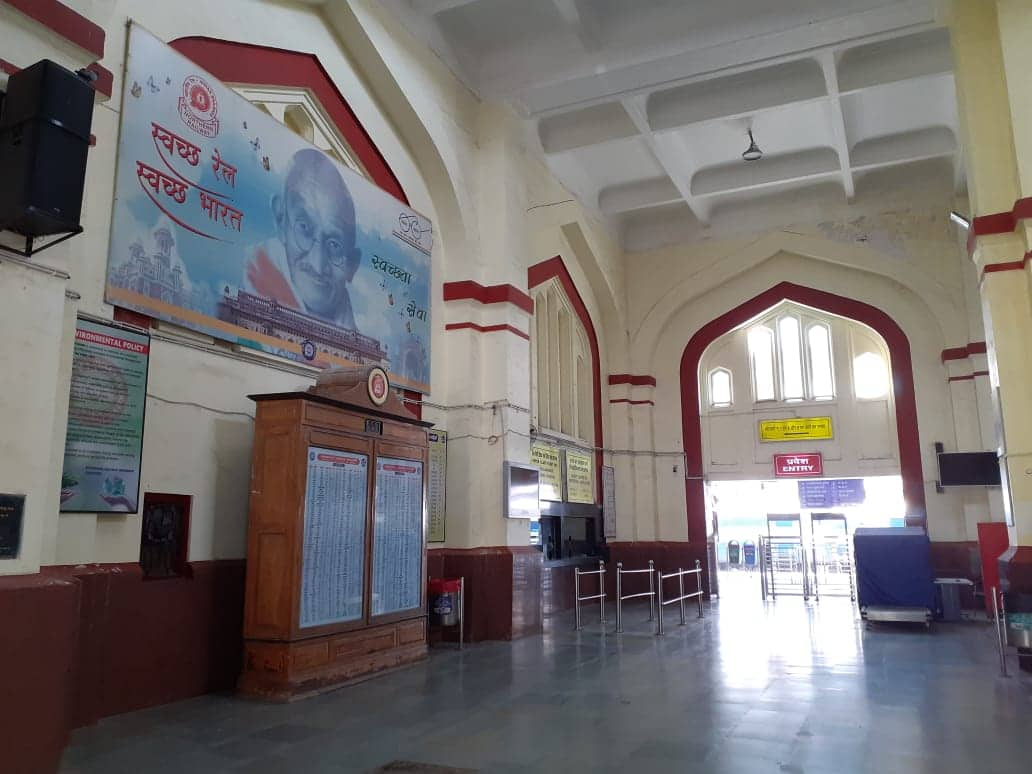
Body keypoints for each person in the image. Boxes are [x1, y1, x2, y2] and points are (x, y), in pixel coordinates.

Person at [244, 148, 362, 330]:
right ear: (281, 219)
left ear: (352, 265)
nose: (318, 264)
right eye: (305, 228)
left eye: (334, 245)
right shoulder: (248, 279)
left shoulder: (353, 333)